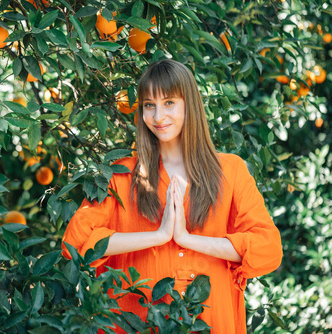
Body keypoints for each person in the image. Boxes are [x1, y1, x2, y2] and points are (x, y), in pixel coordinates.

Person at [62, 59, 283, 333]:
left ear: (189, 104)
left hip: (214, 321)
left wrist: (189, 240)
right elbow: (76, 244)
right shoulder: (121, 175)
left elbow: (268, 249)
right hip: (138, 322)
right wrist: (159, 236)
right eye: (149, 105)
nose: (158, 117)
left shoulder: (231, 170)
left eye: (169, 102)